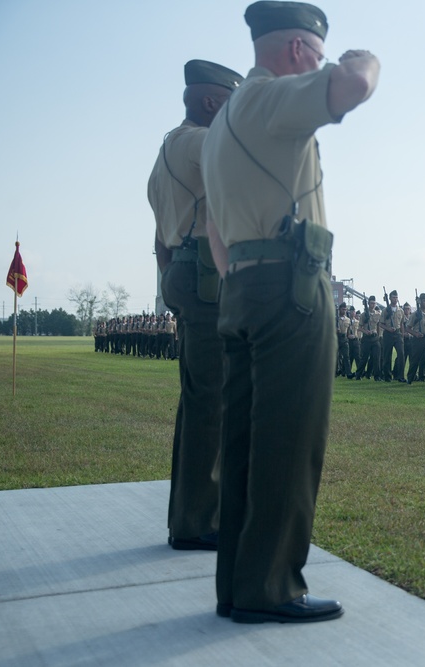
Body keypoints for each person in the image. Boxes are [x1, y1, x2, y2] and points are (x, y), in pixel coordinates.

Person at [202, 0, 379, 624]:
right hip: (290, 284)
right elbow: (354, 84)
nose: (322, 62)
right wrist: (362, 58)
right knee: (289, 439)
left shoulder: (223, 121)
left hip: (244, 284)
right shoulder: (272, 98)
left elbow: (212, 228)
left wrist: (240, 280)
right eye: (318, 52)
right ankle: (273, 587)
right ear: (301, 51)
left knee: (246, 443)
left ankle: (239, 586)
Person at [149, 59, 242, 551]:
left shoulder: (167, 149)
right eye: (232, 101)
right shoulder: (203, 143)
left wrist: (170, 278)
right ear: (211, 102)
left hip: (187, 273)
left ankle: (193, 515)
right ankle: (198, 522)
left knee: (201, 399)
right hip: (208, 278)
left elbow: (158, 238)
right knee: (212, 402)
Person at [405, 293, 425, 386]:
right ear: (420, 302)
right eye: (424, 301)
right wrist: (415, 334)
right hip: (417, 340)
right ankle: (410, 378)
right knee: (415, 360)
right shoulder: (415, 314)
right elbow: (408, 328)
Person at [379, 290, 406, 382]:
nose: (395, 299)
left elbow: (402, 323)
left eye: (396, 297)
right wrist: (388, 328)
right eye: (393, 297)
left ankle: (400, 376)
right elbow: (381, 324)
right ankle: (387, 376)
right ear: (390, 298)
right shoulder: (385, 310)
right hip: (388, 334)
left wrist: (402, 334)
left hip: (397, 334)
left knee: (401, 354)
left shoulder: (400, 310)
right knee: (387, 356)